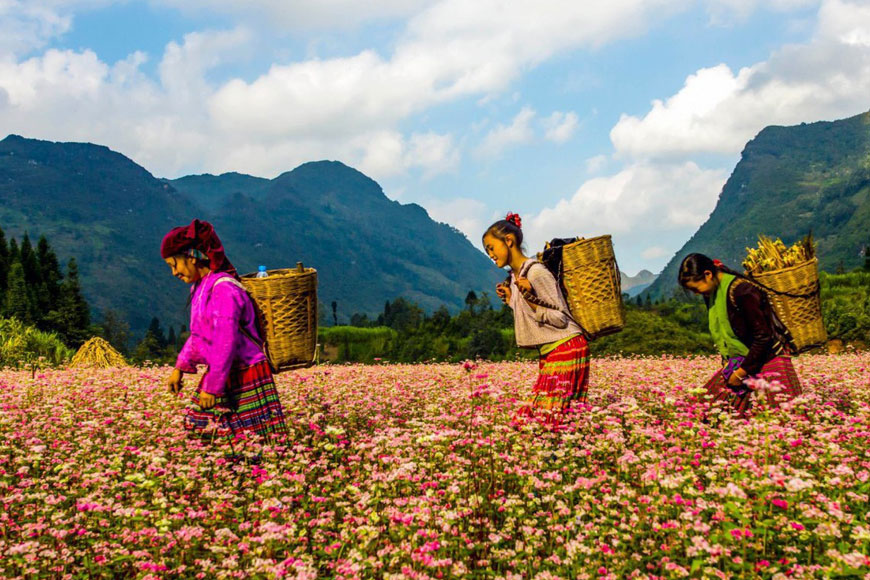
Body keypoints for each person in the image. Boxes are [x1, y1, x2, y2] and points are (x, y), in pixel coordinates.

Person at [161, 219, 288, 443]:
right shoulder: (201, 286)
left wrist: (213, 387)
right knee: (211, 434)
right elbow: (199, 334)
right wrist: (179, 368)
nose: (173, 273)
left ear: (192, 257)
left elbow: (224, 341)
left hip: (245, 371)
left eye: (175, 264)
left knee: (253, 442)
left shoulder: (224, 288)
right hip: (225, 371)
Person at [482, 212, 589, 426]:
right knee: (553, 421)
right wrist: (513, 300)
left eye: (491, 248)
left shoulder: (536, 272)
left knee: (542, 420)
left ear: (509, 241)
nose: (490, 254)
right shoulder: (515, 277)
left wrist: (530, 300)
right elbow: (534, 315)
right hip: (551, 351)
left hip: (566, 347)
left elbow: (560, 317)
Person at [678, 253, 802, 417]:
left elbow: (763, 336)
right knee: (700, 412)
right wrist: (730, 365)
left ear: (708, 274)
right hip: (742, 361)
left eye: (695, 288)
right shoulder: (712, 293)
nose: (696, 293)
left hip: (768, 357)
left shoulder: (742, 291)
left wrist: (741, 372)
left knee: (786, 421)